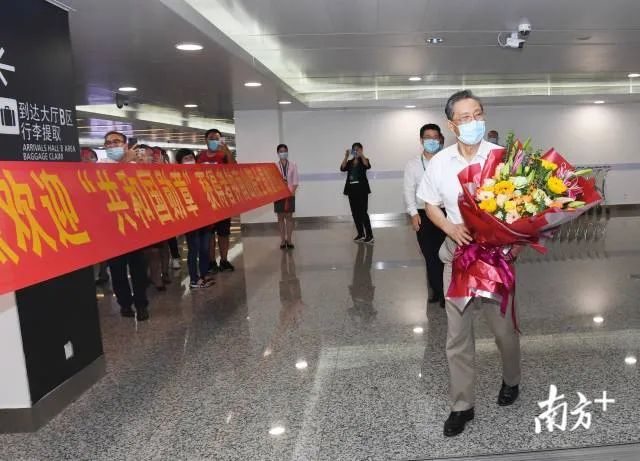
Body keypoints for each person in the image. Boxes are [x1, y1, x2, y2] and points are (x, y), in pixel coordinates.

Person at [417, 90, 520, 437]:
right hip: (458, 257)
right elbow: (429, 204)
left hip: (495, 258)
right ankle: (462, 405)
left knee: (503, 331)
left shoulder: (503, 159)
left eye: (478, 114)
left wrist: (514, 243)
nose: (473, 122)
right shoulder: (440, 162)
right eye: (464, 117)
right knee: (457, 336)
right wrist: (449, 227)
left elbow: (523, 209)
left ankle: (512, 379)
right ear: (451, 125)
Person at [101, 131, 150, 320]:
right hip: (111, 229)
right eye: (108, 143)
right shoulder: (101, 165)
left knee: (138, 269)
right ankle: (125, 304)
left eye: (116, 142)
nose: (112, 145)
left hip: (134, 226)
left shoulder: (136, 166)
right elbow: (105, 183)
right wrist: (124, 161)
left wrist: (145, 165)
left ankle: (141, 304)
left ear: (125, 144)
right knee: (117, 271)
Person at [403, 123, 447, 308]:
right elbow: (408, 190)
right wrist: (413, 213)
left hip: (445, 213)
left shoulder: (446, 161)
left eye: (435, 137)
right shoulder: (413, 164)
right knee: (430, 254)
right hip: (423, 214)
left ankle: (443, 292)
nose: (432, 141)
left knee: (444, 254)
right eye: (428, 137)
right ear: (421, 140)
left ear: (440, 140)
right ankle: (436, 290)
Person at [197, 128, 236, 273]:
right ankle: (212, 261)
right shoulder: (199, 157)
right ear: (205, 140)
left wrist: (228, 152)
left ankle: (224, 260)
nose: (214, 141)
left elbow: (234, 169)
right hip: (206, 202)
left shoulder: (224, 156)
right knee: (209, 235)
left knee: (223, 233)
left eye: (216, 139)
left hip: (222, 201)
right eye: (211, 138)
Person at [176, 148, 215, 289]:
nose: (189, 160)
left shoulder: (200, 175)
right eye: (186, 159)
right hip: (191, 219)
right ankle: (193, 279)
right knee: (194, 248)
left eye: (191, 157)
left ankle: (204, 274)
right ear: (179, 162)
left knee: (205, 248)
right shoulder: (177, 178)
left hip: (204, 217)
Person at [340, 142, 374, 244]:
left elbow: (367, 165)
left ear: (361, 149)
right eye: (354, 149)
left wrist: (361, 155)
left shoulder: (364, 159)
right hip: (351, 190)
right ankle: (360, 234)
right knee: (355, 213)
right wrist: (346, 156)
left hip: (362, 190)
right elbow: (342, 168)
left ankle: (369, 235)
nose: (355, 151)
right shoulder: (350, 162)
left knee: (363, 212)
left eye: (357, 149)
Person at [273, 144, 299, 249]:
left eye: (284, 151)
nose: (283, 153)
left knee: (289, 218)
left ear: (287, 152)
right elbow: (272, 182)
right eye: (281, 151)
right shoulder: (274, 166)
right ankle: (283, 240)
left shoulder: (293, 165)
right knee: (280, 218)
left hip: (290, 194)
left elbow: (296, 181)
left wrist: (292, 192)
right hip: (278, 195)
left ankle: (289, 240)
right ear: (278, 153)